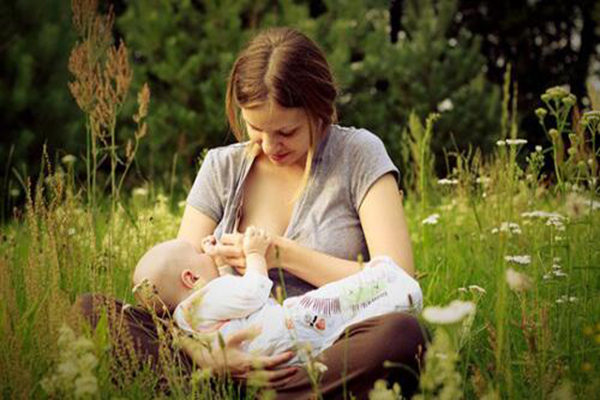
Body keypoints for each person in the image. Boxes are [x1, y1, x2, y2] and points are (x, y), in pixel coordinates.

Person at [76, 27, 427, 399]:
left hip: (325, 351)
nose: (270, 145)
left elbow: (397, 277)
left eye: (286, 132)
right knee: (90, 311)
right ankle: (230, 385)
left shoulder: (358, 154)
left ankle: (245, 392)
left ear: (319, 109)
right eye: (256, 128)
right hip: (220, 356)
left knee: (403, 335)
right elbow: (174, 294)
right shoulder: (221, 167)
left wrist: (281, 255)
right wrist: (207, 356)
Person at [132, 228, 423, 368]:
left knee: (340, 326)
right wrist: (257, 254)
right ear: (190, 278)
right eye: (199, 254)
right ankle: (388, 284)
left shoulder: (189, 317)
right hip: (289, 325)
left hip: (271, 354)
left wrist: (217, 260)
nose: (204, 253)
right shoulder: (207, 296)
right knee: (337, 304)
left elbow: (225, 290)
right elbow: (253, 292)